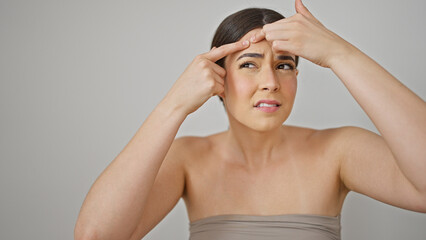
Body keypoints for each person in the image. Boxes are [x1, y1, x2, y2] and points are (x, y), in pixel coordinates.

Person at [74, 0, 426, 239]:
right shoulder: (187, 160)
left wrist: (340, 53)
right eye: (248, 64)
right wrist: (173, 106)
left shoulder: (338, 151)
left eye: (284, 65)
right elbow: (96, 236)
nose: (271, 82)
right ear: (217, 80)